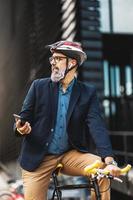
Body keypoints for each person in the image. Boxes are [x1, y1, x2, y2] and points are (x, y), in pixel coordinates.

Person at [14, 40, 121, 200]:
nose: (53, 63)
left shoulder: (87, 92)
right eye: (52, 59)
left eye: (58, 59)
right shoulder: (38, 87)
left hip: (69, 155)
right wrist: (20, 128)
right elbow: (23, 119)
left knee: (103, 169)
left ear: (72, 62)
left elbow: (97, 126)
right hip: (38, 157)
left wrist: (110, 160)